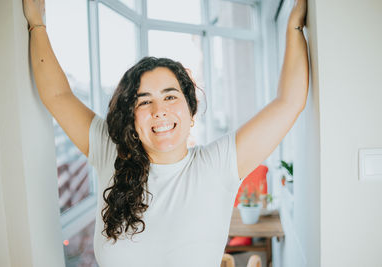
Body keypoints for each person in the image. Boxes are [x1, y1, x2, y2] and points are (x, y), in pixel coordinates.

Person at [22, 0, 308, 266]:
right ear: (131, 117)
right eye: (144, 101)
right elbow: (58, 95)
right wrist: (36, 23)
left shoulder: (217, 164)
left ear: (190, 110)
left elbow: (288, 103)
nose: (159, 110)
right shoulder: (110, 150)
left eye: (170, 97)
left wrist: (294, 24)